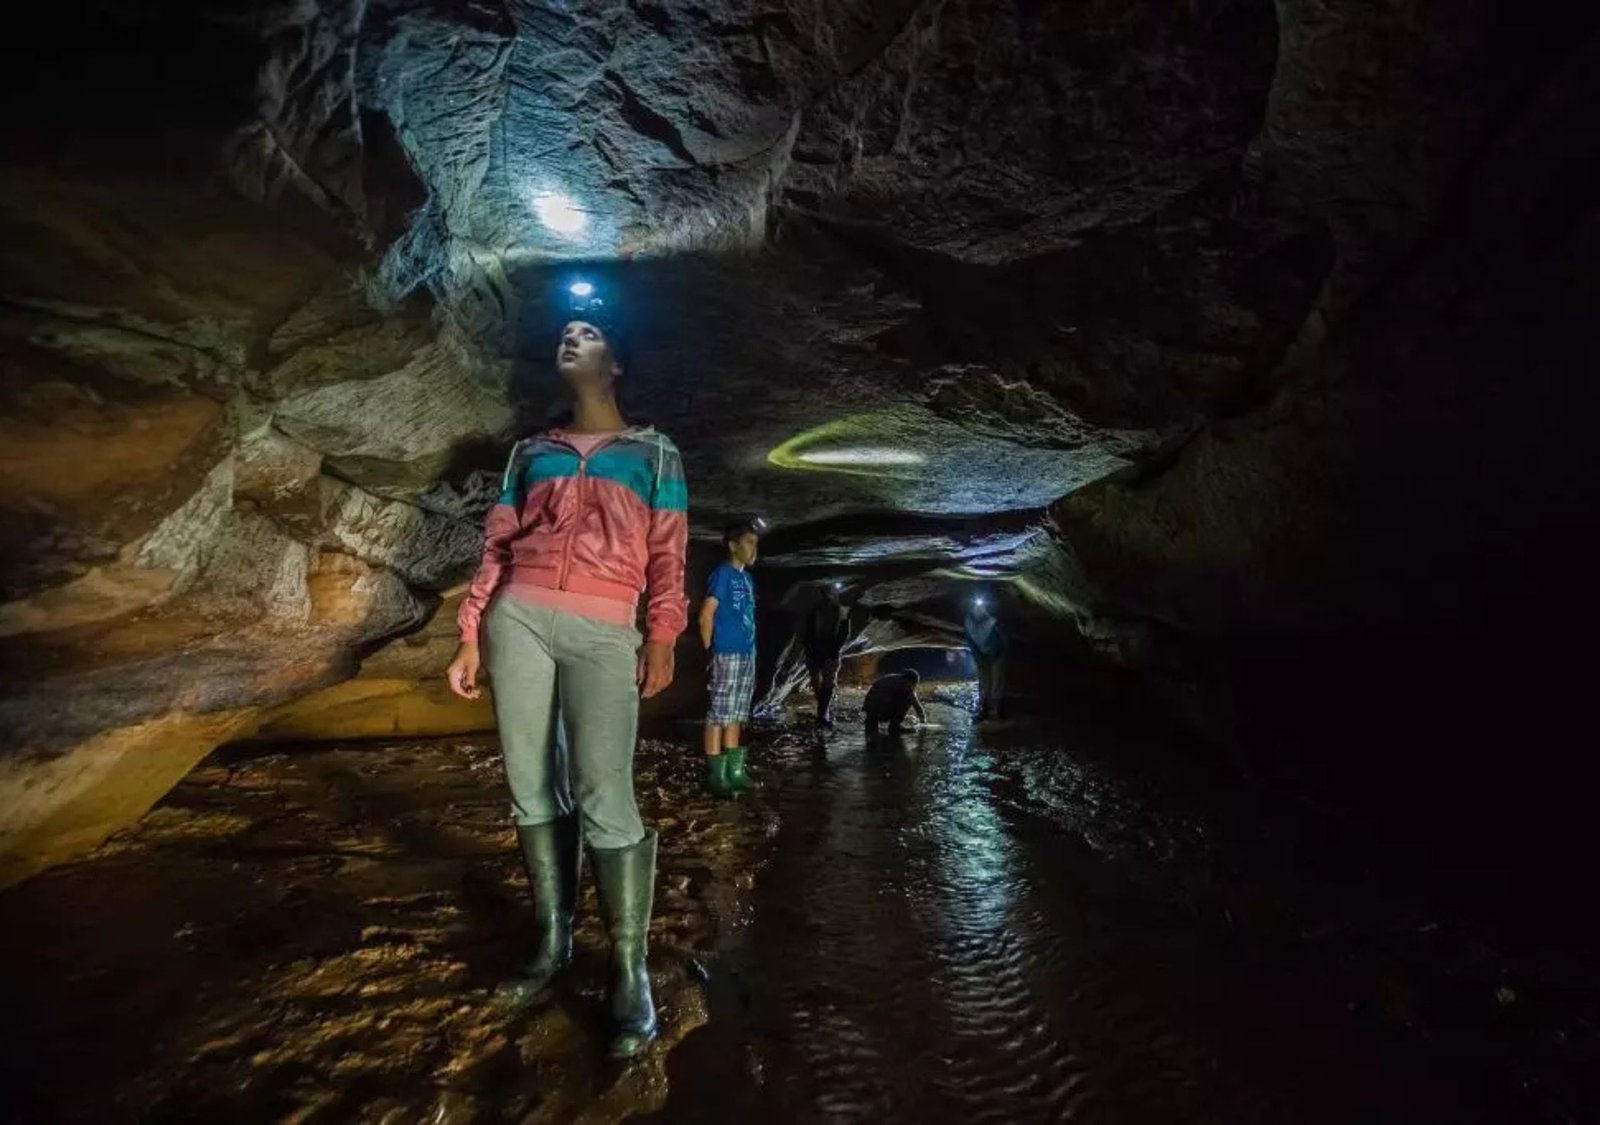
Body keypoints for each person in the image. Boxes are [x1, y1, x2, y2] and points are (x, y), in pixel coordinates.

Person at [444, 309, 688, 1061]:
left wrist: (662, 634)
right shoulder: (531, 451)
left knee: (603, 788)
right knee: (528, 781)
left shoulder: (654, 453)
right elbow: (497, 542)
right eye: (566, 333)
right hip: (518, 616)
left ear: (615, 366)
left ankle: (627, 966)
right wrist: (468, 630)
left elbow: (668, 555)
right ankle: (551, 942)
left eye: (590, 334)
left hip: (604, 624)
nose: (572, 337)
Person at [699, 521, 760, 795]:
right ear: (733, 546)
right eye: (748, 542)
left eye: (755, 543)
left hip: (747, 653)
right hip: (726, 652)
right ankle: (716, 775)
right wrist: (710, 649)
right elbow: (706, 614)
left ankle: (735, 771)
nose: (753, 548)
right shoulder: (722, 574)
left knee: (736, 712)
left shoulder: (747, 579)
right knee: (718, 712)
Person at [801, 582, 850, 728]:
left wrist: (836, 648)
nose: (828, 596)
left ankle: (823, 714)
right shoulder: (814, 611)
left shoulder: (841, 610)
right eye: (825, 593)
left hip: (829, 650)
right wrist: (808, 646)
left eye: (830, 593)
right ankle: (822, 712)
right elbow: (807, 630)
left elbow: (844, 631)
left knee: (828, 682)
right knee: (817, 681)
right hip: (815, 650)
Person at [963, 594, 1007, 720]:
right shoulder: (968, 622)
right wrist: (978, 657)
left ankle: (995, 710)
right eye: (976, 608)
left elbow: (999, 642)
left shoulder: (992, 622)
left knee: (996, 681)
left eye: (981, 608)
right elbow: (970, 641)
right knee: (984, 681)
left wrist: (992, 656)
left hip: (997, 654)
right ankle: (983, 708)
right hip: (981, 654)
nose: (978, 611)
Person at [862, 668, 927, 736]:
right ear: (910, 681)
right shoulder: (907, 687)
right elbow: (917, 705)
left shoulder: (890, 678)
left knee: (871, 727)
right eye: (914, 684)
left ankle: (871, 724)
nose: (914, 686)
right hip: (879, 710)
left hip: (870, 710)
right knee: (908, 699)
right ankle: (895, 726)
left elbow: (872, 695)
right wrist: (923, 721)